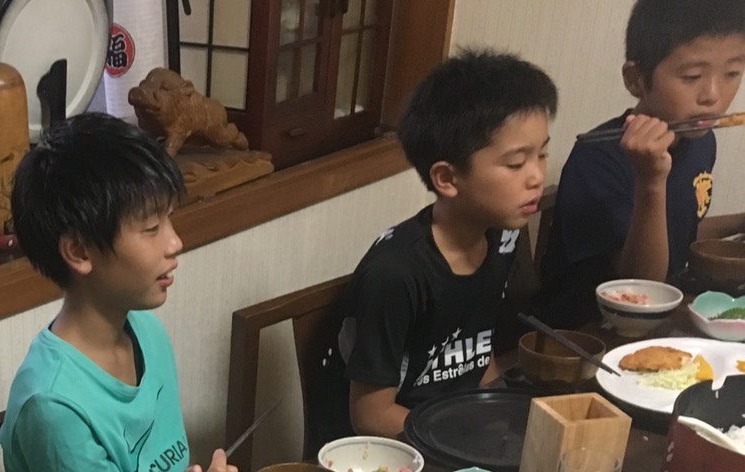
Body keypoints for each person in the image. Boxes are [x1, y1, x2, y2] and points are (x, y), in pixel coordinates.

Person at [1, 112, 255, 472]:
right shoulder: (53, 406)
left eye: (169, 219)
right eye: (151, 227)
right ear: (79, 252)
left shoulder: (145, 329)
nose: (175, 242)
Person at [312, 51, 557, 443]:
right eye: (516, 163)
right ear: (447, 178)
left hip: (454, 426)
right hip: (389, 451)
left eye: (541, 154)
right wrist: (464, 438)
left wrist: (502, 416)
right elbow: (371, 416)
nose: (536, 177)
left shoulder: (501, 236)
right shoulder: (395, 274)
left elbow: (475, 356)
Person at [538, 0, 745, 327]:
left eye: (732, 73)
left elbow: (680, 228)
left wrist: (741, 222)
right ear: (635, 79)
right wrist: (651, 181)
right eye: (692, 76)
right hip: (586, 332)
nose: (713, 95)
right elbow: (640, 286)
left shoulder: (700, 141)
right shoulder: (597, 159)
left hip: (659, 319)